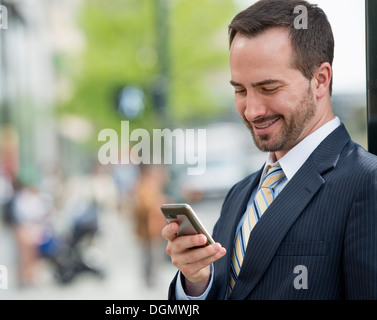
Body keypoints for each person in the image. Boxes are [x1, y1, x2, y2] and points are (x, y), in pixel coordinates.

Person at [162, 0, 377, 300]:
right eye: (240, 90)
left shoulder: (367, 183)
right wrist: (197, 283)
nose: (251, 110)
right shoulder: (239, 194)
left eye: (269, 88)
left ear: (320, 80)